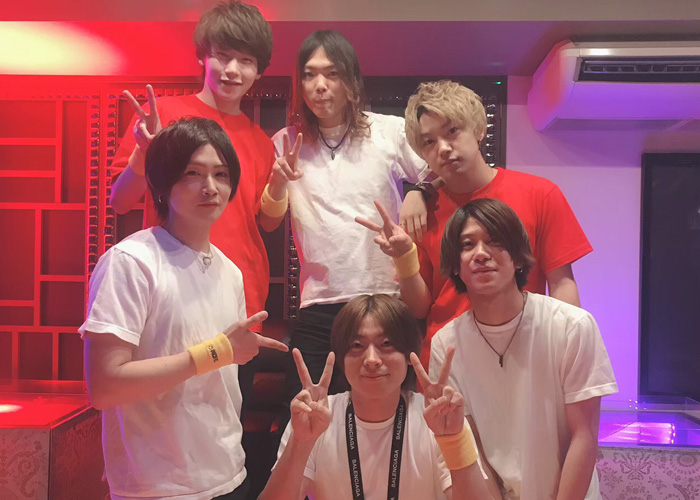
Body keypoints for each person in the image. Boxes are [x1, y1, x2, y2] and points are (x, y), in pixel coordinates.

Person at [80, 117, 288, 500]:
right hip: (157, 487)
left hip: (229, 473)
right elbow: (105, 387)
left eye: (221, 174)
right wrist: (217, 351)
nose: (210, 187)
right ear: (162, 182)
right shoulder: (131, 262)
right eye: (193, 173)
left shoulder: (230, 272)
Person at [357, 80, 592, 365]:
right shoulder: (422, 212)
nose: (443, 148)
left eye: (452, 131)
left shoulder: (540, 194)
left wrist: (567, 354)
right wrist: (403, 257)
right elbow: (419, 308)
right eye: (429, 142)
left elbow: (561, 283)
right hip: (447, 359)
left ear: (479, 130)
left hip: (525, 354)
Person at [263, 30, 431, 397]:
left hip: (383, 296)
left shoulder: (389, 131)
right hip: (318, 301)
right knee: (304, 410)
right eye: (309, 75)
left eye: (332, 73)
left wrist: (419, 190)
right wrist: (276, 183)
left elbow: (436, 174)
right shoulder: (286, 141)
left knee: (389, 409)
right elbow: (269, 220)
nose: (320, 85)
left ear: (351, 82)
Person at [431, 198, 618, 500]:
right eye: (467, 245)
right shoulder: (446, 344)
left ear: (518, 258)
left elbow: (583, 437)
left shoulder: (571, 326)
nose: (481, 254)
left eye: (495, 242)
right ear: (455, 265)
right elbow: (471, 451)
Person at [109, 0, 276, 329]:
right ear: (202, 57)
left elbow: (263, 223)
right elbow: (120, 201)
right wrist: (143, 153)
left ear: (259, 71)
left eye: (246, 61)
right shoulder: (162, 116)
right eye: (222, 55)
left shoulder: (262, 142)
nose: (232, 70)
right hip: (170, 283)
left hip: (241, 287)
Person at [259, 294, 492, 500]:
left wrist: (453, 440)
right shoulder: (315, 418)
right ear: (341, 357)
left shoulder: (439, 419)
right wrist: (301, 443)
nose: (371, 359)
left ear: (409, 355)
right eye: (357, 345)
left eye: (386, 344)